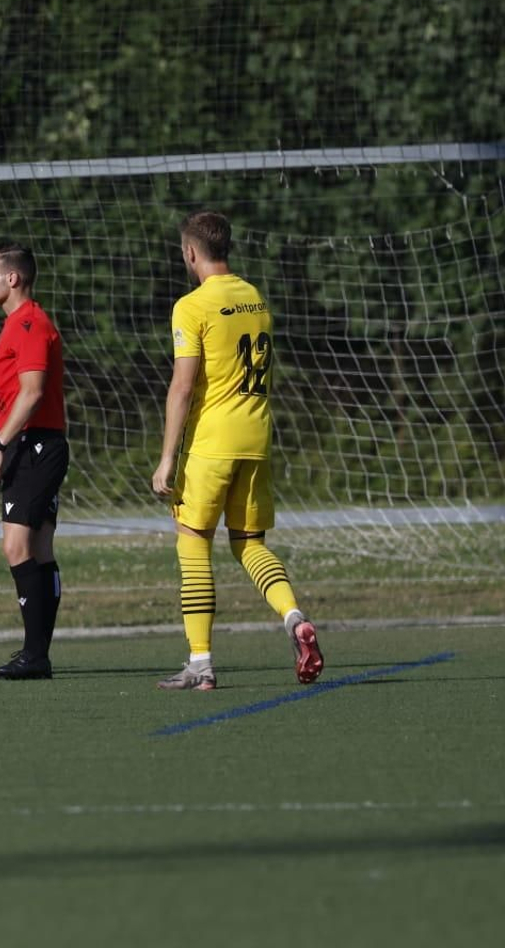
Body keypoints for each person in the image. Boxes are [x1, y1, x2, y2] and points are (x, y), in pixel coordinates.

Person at [150, 210, 324, 691]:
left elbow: (183, 387)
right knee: (249, 544)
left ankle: (200, 663)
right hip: (256, 440)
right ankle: (294, 617)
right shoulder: (255, 297)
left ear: (190, 252)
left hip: (211, 443)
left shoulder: (192, 305)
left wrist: (167, 457)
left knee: (193, 541)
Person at [0, 245, 69, 681]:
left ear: (11, 278)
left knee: (16, 548)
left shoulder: (30, 323)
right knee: (40, 548)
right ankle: (38, 654)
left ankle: (35, 654)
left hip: (34, 445)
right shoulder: (18, 324)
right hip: (29, 446)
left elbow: (32, 393)